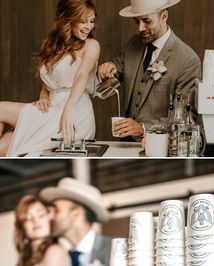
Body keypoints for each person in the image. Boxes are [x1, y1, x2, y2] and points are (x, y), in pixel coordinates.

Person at [0, 0, 99, 157]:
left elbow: (82, 75)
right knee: (3, 146)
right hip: (52, 109)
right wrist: (43, 98)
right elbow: (49, 86)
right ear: (68, 19)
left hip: (74, 113)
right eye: (83, 21)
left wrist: (69, 107)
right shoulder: (52, 46)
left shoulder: (91, 45)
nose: (89, 26)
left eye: (92, 21)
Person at [98, 0, 201, 139]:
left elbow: (184, 117)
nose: (140, 28)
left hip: (160, 145)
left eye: (146, 21)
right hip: (125, 143)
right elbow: (119, 66)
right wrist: (110, 67)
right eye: (136, 21)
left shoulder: (188, 60)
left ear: (164, 16)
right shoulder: (134, 43)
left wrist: (143, 128)